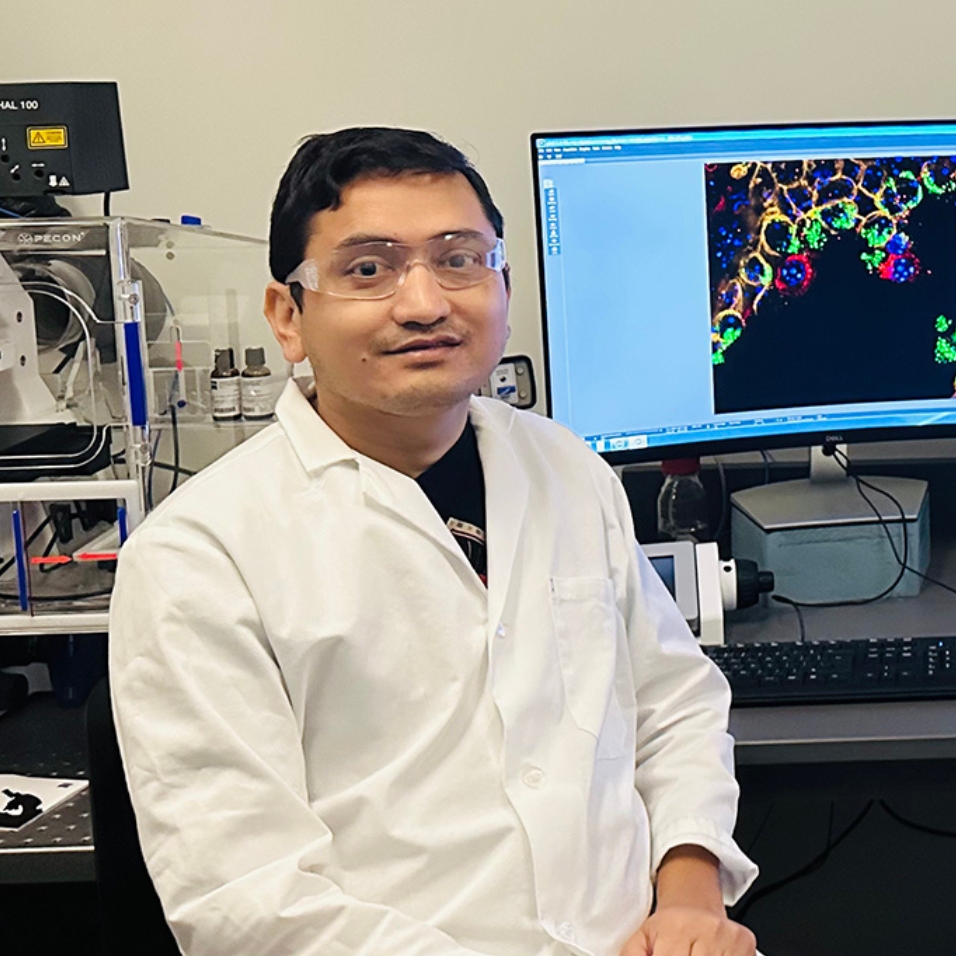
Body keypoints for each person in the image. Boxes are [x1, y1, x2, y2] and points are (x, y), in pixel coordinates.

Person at [109, 127, 759, 956]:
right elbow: (249, 904)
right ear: (288, 315)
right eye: (368, 269)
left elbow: (673, 704)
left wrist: (693, 899)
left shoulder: (564, 466)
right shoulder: (200, 556)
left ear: (503, 284)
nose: (425, 303)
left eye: (459, 259)